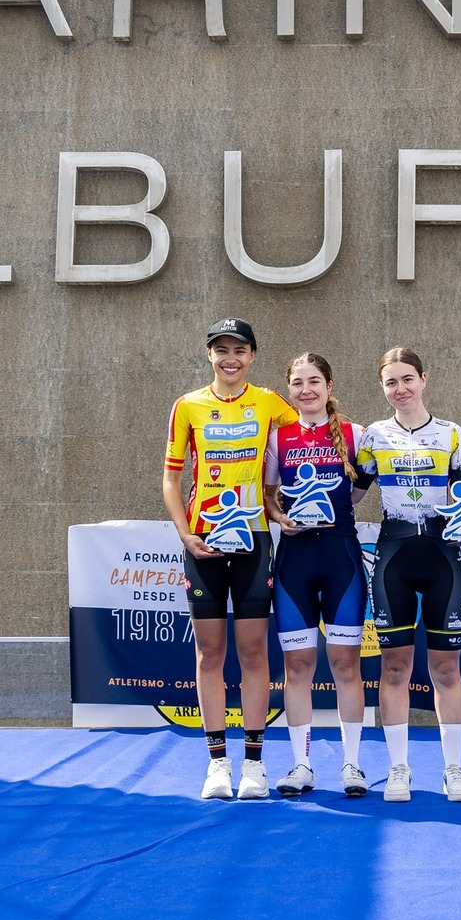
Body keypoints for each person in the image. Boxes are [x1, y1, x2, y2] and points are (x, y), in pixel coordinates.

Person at [162, 318, 295, 801]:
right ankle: (217, 762)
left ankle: (254, 765)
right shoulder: (188, 406)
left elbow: (311, 435)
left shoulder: (269, 403)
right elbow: (171, 479)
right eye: (222, 350)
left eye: (239, 350)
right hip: (204, 543)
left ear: (253, 356)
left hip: (254, 541)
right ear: (209, 355)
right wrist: (186, 535)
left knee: (255, 652)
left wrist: (356, 437)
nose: (230, 358)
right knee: (209, 654)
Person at [355, 348, 461, 803]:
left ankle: (454, 769)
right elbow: (353, 495)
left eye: (407, 379)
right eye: (391, 382)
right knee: (393, 668)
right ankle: (399, 769)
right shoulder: (374, 436)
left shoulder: (451, 433)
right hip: (394, 555)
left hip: (442, 557)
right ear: (383, 388)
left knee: (446, 668)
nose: (400, 389)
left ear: (424, 379)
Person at [263, 353, 374, 798]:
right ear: (288, 389)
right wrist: (279, 518)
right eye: (297, 383)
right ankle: (301, 765)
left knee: (346, 663)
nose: (305, 390)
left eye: (314, 381)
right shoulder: (277, 437)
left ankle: (352, 766)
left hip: (341, 557)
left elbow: (360, 488)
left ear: (329, 385)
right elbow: (268, 495)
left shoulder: (355, 434)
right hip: (294, 560)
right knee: (298, 666)